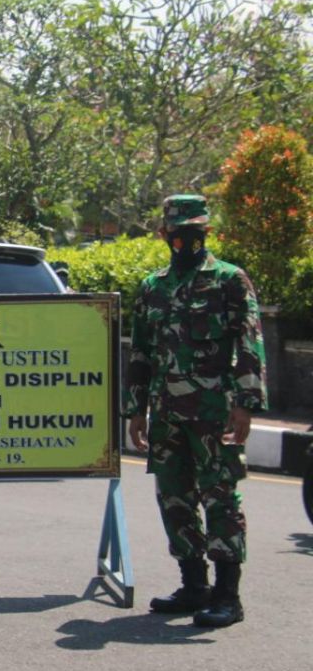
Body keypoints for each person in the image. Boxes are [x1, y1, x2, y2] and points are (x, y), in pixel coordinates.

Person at [126, 194, 267, 629]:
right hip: (166, 414)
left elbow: (249, 343)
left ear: (207, 233)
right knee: (175, 498)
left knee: (221, 498)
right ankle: (193, 586)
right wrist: (136, 411)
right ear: (164, 235)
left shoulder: (229, 280)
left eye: (194, 233)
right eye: (178, 233)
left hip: (213, 412)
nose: (185, 241)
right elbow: (142, 352)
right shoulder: (153, 286)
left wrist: (246, 404)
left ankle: (228, 595)